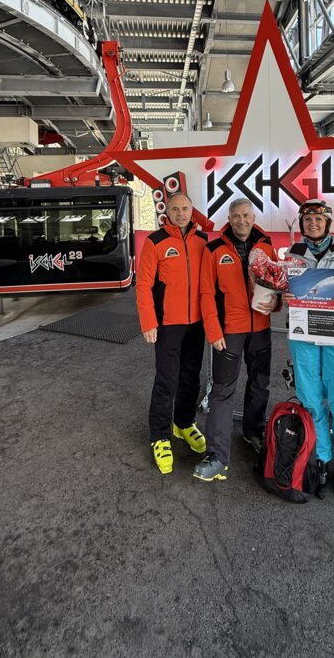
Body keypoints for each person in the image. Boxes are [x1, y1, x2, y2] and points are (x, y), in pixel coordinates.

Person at [193, 198, 278, 483]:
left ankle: (253, 432)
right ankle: (217, 456)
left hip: (261, 328)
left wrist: (276, 304)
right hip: (229, 331)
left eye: (246, 215)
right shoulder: (214, 249)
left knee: (260, 384)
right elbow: (206, 293)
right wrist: (213, 330)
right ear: (229, 219)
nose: (241, 220)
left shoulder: (266, 246)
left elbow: (275, 285)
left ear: (253, 217)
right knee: (222, 390)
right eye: (236, 216)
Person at [284, 200, 334, 500]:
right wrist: (285, 294)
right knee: (310, 399)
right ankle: (319, 456)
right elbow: (286, 288)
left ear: (327, 223)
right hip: (303, 333)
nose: (313, 224)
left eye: (318, 219)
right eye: (308, 220)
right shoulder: (294, 253)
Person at [136, 192, 208, 475]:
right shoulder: (155, 242)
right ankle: (160, 436)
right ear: (167, 212)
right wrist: (148, 322)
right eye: (175, 209)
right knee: (167, 380)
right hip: (167, 324)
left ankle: (184, 423)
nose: (181, 214)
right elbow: (144, 285)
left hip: (196, 323)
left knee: (191, 377)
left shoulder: (202, 240)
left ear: (192, 211)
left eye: (185, 209)